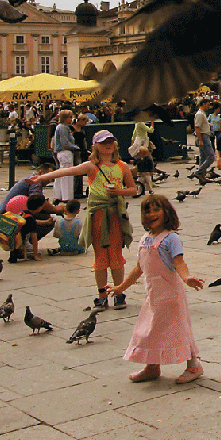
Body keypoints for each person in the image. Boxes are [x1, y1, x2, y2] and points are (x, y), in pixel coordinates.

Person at [108, 195, 204, 384]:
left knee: (179, 329)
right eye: (147, 211)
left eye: (156, 210)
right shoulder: (144, 239)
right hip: (153, 295)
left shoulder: (171, 238)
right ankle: (152, 366)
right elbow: (138, 268)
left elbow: (179, 262)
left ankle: (194, 365)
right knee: (149, 330)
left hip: (171, 295)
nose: (152, 214)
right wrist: (121, 287)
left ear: (167, 212)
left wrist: (187, 278)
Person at [64, 130, 137, 310]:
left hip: (115, 215)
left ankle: (119, 292)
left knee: (116, 256)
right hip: (97, 215)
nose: (108, 145)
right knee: (100, 257)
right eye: (104, 142)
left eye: (111, 142)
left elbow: (133, 189)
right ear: (95, 146)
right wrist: (42, 178)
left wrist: (119, 192)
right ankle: (102, 294)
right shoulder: (91, 167)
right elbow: (66, 171)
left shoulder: (122, 166)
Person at [52, 110, 79, 201]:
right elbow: (65, 142)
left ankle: (58, 195)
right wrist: (76, 147)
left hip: (60, 152)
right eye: (70, 117)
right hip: (65, 152)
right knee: (67, 175)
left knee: (60, 174)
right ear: (65, 118)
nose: (71, 119)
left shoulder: (60, 127)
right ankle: (67, 196)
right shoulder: (63, 128)